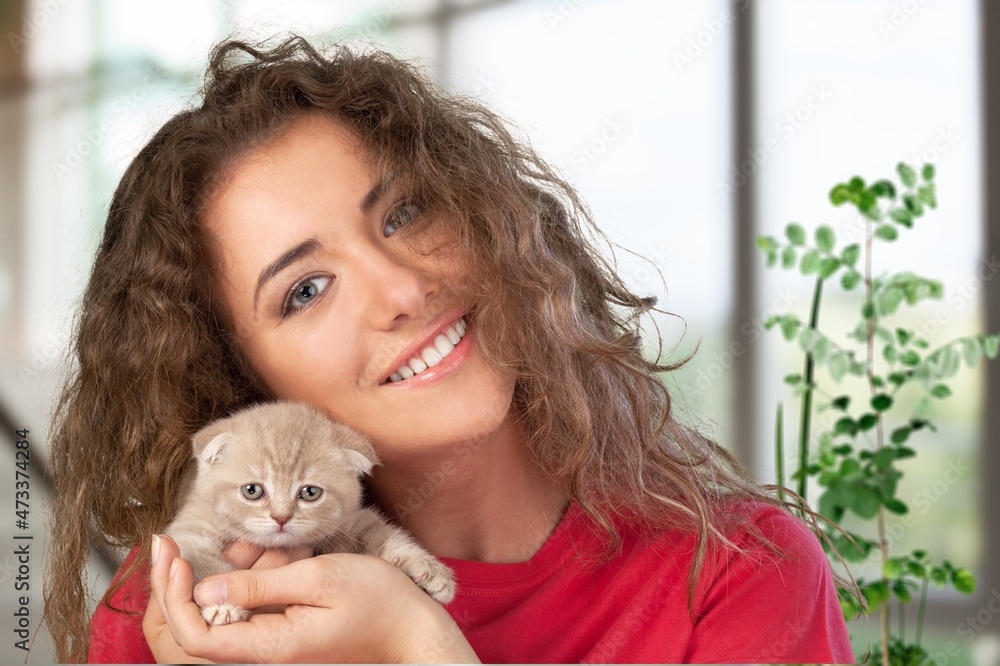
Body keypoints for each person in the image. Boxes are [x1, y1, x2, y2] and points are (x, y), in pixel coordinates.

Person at [44, 35, 858, 663]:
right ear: (239, 381)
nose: (402, 290)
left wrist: (415, 641)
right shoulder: (186, 611)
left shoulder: (736, 575)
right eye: (305, 291)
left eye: (403, 215)